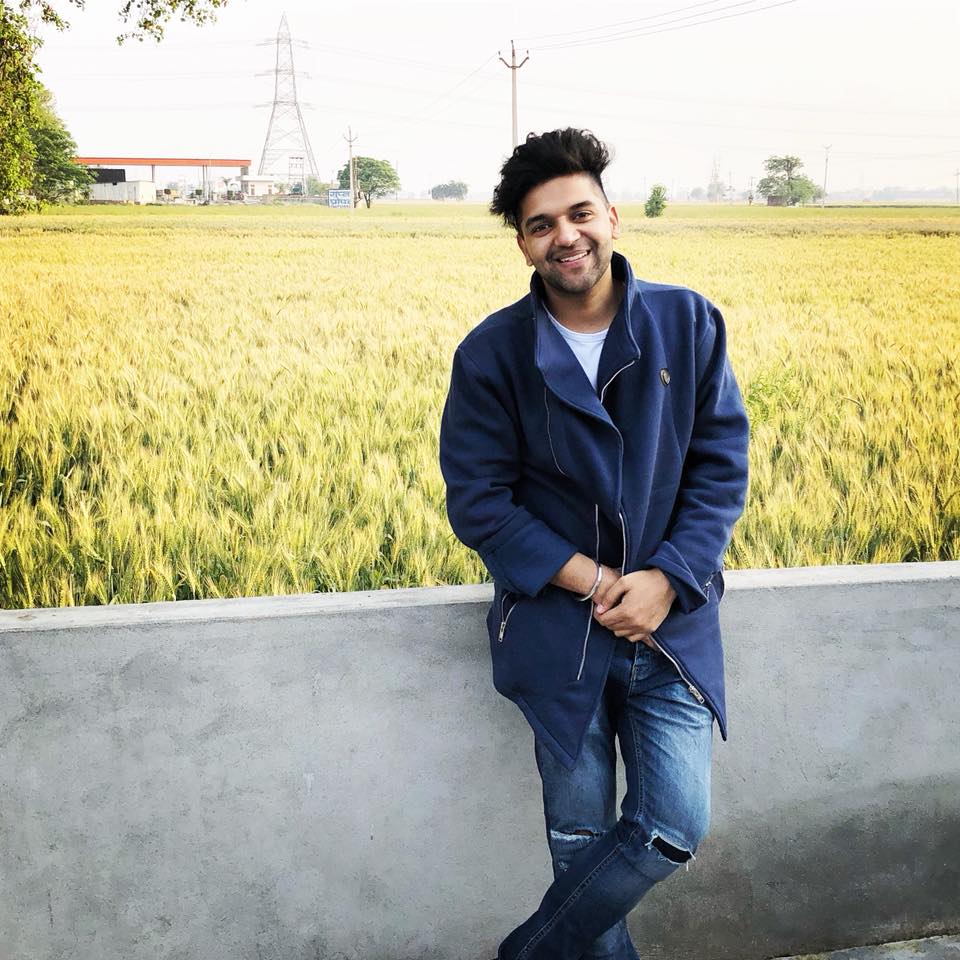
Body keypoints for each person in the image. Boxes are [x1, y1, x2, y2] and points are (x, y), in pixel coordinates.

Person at [439, 128, 749, 960]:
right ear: (523, 244)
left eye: (579, 213)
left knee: (672, 826)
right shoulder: (492, 353)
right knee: (579, 843)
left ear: (611, 216)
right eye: (541, 224)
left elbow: (720, 467)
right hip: (557, 632)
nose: (565, 235)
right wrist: (599, 581)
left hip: (671, 631)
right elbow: (479, 502)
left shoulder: (687, 322)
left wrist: (667, 579)